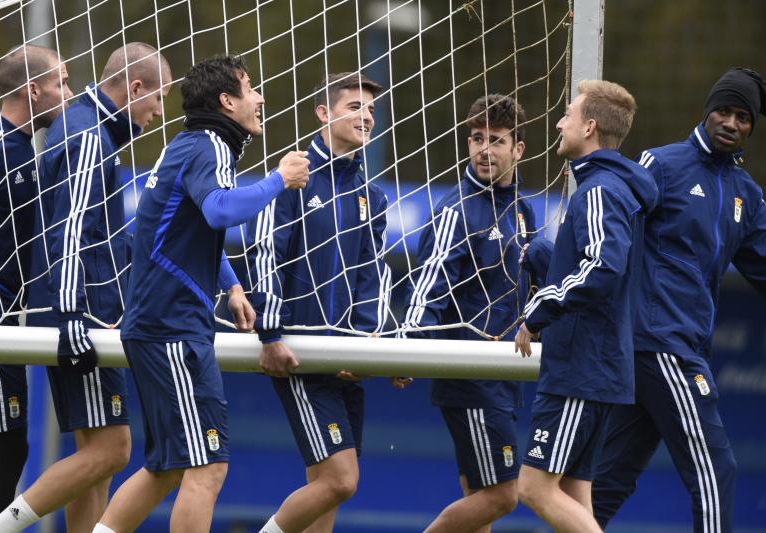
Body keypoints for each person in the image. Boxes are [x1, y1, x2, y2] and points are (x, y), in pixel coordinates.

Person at [92, 54, 309, 533]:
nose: (260, 98)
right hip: (171, 328)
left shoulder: (194, 144)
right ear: (227, 101)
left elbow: (186, 230)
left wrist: (230, 284)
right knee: (208, 467)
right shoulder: (207, 145)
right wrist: (278, 179)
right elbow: (218, 211)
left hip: (161, 325)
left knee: (167, 467)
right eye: (251, 89)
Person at [0, 42, 172, 533]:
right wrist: (69, 315)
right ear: (135, 88)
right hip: (69, 315)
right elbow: (69, 229)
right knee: (111, 449)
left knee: (96, 455)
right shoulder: (87, 135)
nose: (158, 113)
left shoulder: (80, 130)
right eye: (157, 100)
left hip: (72, 311)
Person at [592, 68, 766, 533]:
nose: (731, 123)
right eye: (724, 111)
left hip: (674, 347)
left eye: (743, 117)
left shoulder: (747, 195)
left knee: (605, 486)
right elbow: (606, 230)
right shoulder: (661, 164)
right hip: (661, 344)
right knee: (716, 471)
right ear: (707, 111)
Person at [247, 72, 391, 533]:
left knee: (325, 490)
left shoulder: (371, 193)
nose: (365, 116)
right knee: (340, 479)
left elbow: (373, 274)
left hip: (346, 355)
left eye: (370, 108)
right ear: (324, 114)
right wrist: (270, 332)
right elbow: (265, 253)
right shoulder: (293, 176)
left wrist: (368, 343)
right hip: (301, 353)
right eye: (354, 107)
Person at [513, 79, 657, 533]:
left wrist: (539, 310)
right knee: (575, 495)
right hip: (593, 369)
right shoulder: (608, 188)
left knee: (533, 488)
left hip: (582, 369)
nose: (559, 122)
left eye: (568, 115)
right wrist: (541, 258)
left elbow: (601, 267)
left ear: (590, 127)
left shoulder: (599, 190)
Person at [398, 94, 536, 533]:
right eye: (476, 138)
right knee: (503, 495)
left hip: (503, 376)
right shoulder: (456, 208)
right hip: (471, 374)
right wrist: (408, 348)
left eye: (496, 140)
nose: (483, 149)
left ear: (519, 149)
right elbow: (429, 285)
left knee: (479, 499)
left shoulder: (524, 211)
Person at [0, 44, 71, 528]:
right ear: (32, 89)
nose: (68, 94)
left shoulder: (23, 153)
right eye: (61, 84)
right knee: (10, 447)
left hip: (2, 316)